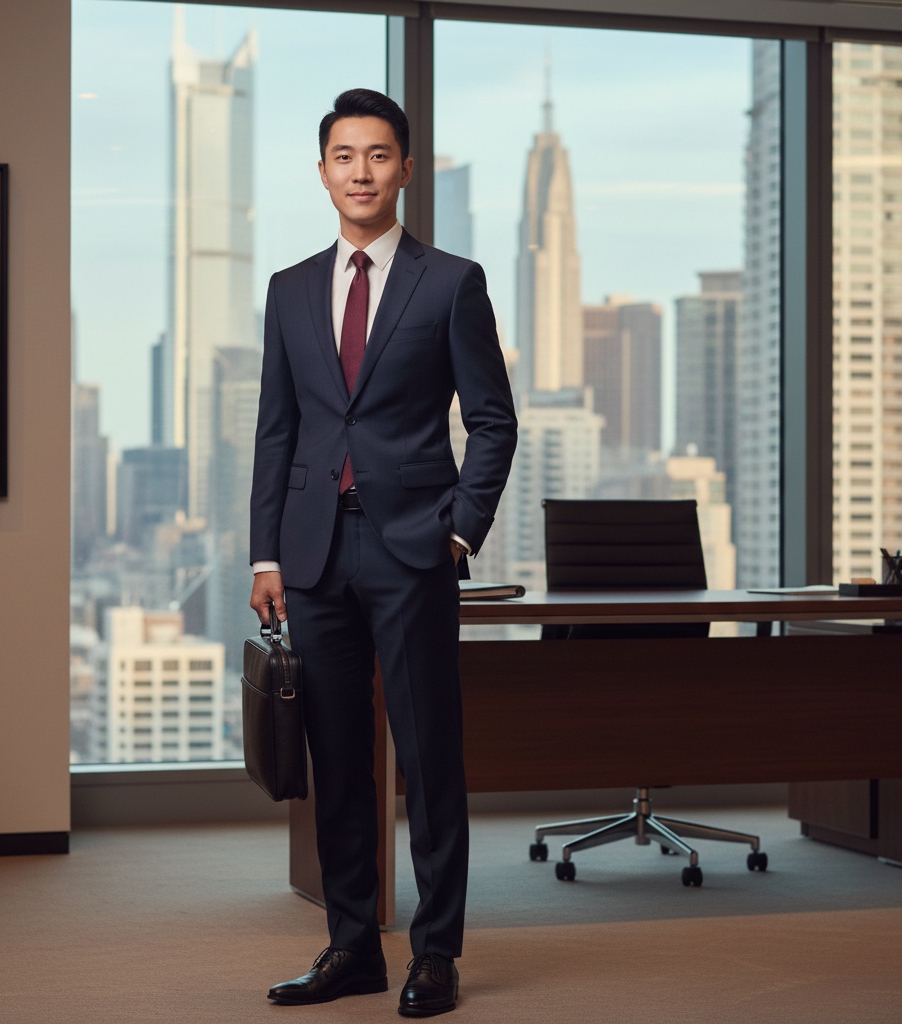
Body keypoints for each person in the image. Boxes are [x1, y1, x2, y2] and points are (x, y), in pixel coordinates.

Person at [249, 87, 517, 1018]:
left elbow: (492, 422)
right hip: (314, 555)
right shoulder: (288, 290)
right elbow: (274, 435)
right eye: (343, 155)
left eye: (378, 155)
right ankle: (352, 946)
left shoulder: (450, 282)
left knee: (430, 756)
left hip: (411, 551)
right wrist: (263, 557)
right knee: (338, 760)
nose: (360, 171)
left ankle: (436, 953)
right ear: (322, 171)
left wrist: (458, 529)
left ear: (405, 168)